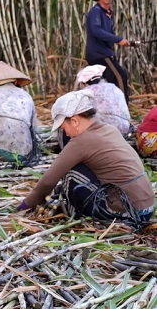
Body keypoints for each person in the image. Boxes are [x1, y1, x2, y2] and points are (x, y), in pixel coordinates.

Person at [17, 90, 154, 228]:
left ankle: (73, 214)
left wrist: (24, 206)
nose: (66, 133)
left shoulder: (81, 142)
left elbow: (48, 181)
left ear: (74, 121)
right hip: (146, 210)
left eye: (64, 128)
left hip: (127, 215)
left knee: (71, 173)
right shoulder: (109, 129)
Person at [85, 0, 132, 103]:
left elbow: (105, 33)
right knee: (120, 77)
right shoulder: (96, 11)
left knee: (104, 83)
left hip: (104, 53)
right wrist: (118, 39)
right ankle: (123, 109)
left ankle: (110, 109)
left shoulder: (108, 13)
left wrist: (120, 41)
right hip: (100, 54)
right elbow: (97, 31)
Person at [75, 65, 130, 136]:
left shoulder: (87, 91)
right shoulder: (115, 88)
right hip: (124, 129)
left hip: (102, 131)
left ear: (84, 83)